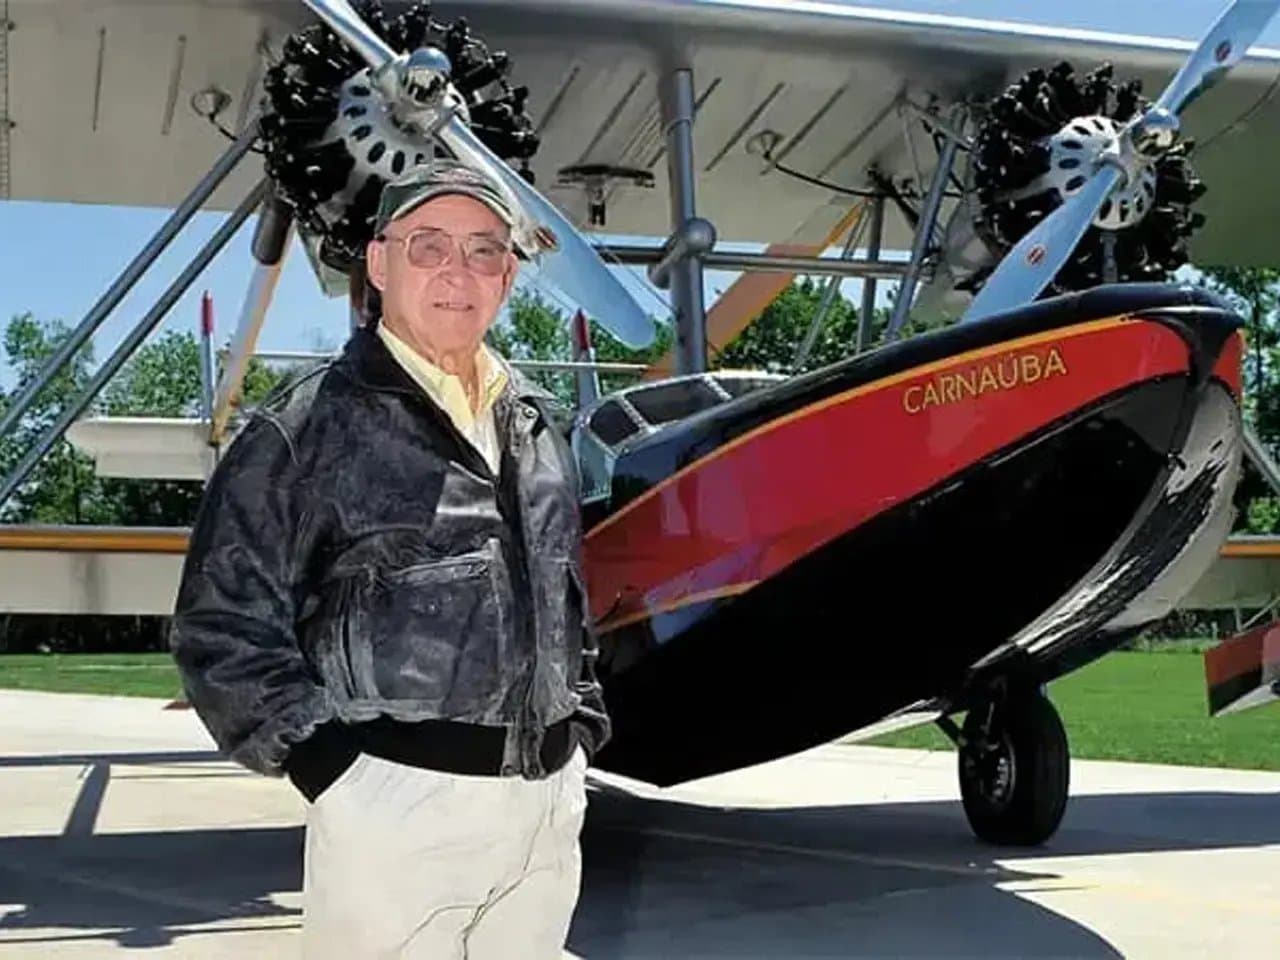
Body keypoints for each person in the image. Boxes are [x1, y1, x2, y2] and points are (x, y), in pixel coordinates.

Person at [169, 159, 609, 959]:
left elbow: (565, 591)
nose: (457, 272)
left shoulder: (542, 427)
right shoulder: (304, 430)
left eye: (483, 250)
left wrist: (580, 724)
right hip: (395, 809)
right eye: (428, 246)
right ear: (378, 264)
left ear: (508, 273)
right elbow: (219, 626)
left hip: (548, 807)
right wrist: (334, 771)